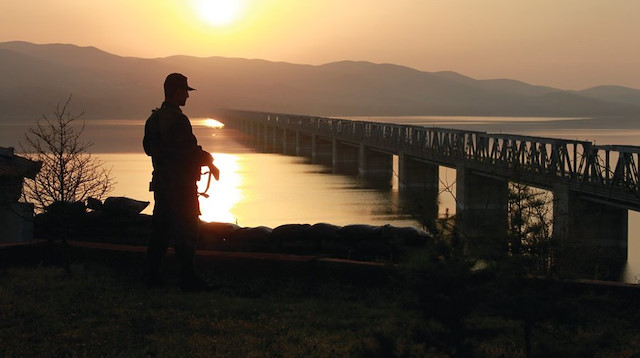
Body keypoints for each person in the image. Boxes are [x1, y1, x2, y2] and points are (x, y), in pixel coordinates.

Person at [143, 73, 219, 291]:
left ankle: (151, 276)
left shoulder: (154, 119)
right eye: (185, 91)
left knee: (160, 231)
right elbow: (189, 151)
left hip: (162, 184)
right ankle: (188, 278)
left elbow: (148, 149)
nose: (188, 95)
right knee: (187, 230)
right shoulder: (178, 120)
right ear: (175, 91)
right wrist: (209, 160)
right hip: (181, 186)